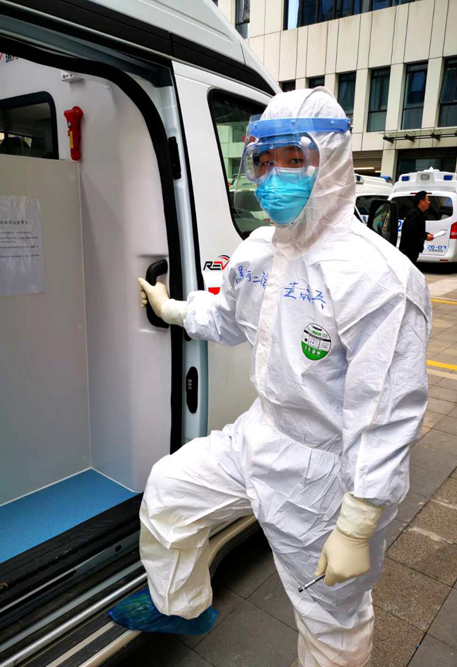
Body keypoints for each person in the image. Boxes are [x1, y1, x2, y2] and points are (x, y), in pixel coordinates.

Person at [135, 88, 431, 667]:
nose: (273, 178)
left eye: (292, 159)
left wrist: (358, 520)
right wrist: (172, 310)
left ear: (332, 160)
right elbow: (225, 317)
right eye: (263, 162)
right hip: (259, 433)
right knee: (170, 491)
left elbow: (385, 414)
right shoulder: (258, 251)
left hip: (325, 471)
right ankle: (180, 606)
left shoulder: (379, 279)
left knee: (329, 614)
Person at [398, 190, 434, 266]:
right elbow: (412, 230)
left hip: (413, 249)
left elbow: (417, 229)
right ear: (421, 202)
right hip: (409, 249)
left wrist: (426, 234)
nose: (429, 202)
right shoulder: (414, 213)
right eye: (427, 200)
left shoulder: (419, 213)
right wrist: (425, 236)